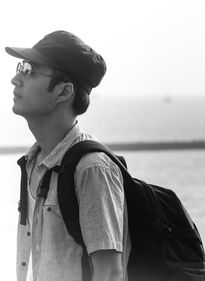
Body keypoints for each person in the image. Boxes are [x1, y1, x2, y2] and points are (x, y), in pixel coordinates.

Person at [6, 31, 131, 281]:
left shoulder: (92, 169)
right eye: (20, 67)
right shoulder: (31, 164)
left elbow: (110, 273)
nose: (15, 79)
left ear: (64, 92)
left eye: (29, 70)